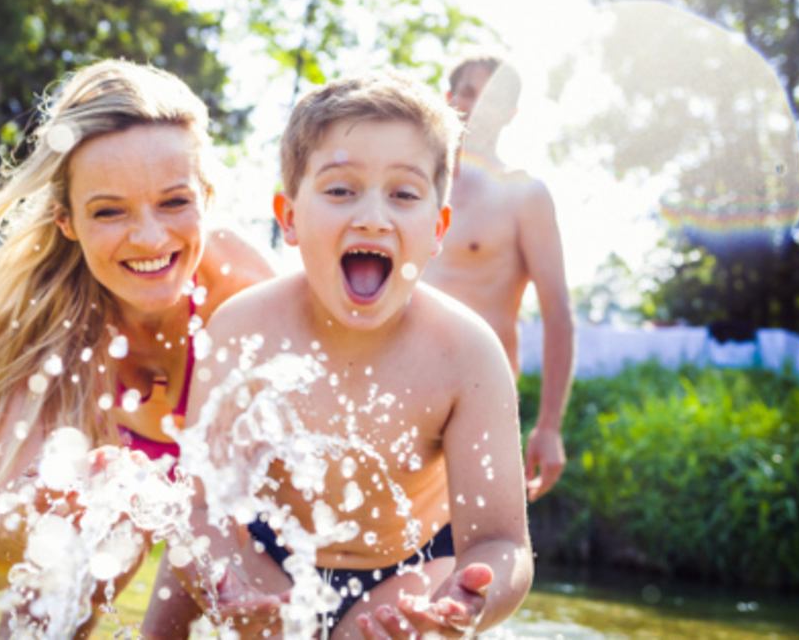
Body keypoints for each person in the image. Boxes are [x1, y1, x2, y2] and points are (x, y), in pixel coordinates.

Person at [0, 59, 275, 638]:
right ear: (67, 220)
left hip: (230, 495)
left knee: (245, 607)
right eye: (109, 211)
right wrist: (39, 511)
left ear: (207, 195)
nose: (151, 238)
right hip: (112, 492)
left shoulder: (248, 291)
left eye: (175, 202)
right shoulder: (42, 322)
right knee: (42, 609)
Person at [171, 71, 533, 639]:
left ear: (437, 228)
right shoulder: (242, 329)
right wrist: (222, 581)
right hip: (274, 556)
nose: (371, 216)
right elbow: (199, 508)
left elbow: (501, 542)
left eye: (404, 194)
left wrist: (467, 601)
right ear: (288, 217)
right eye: (340, 190)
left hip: (414, 567)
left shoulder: (465, 353)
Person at [422, 54, 575, 502]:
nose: (478, 106)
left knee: (470, 559)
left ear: (511, 113)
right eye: (469, 93)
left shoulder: (523, 193)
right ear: (448, 100)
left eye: (494, 98)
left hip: (479, 401)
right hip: (398, 390)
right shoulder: (410, 188)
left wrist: (549, 426)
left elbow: (558, 313)